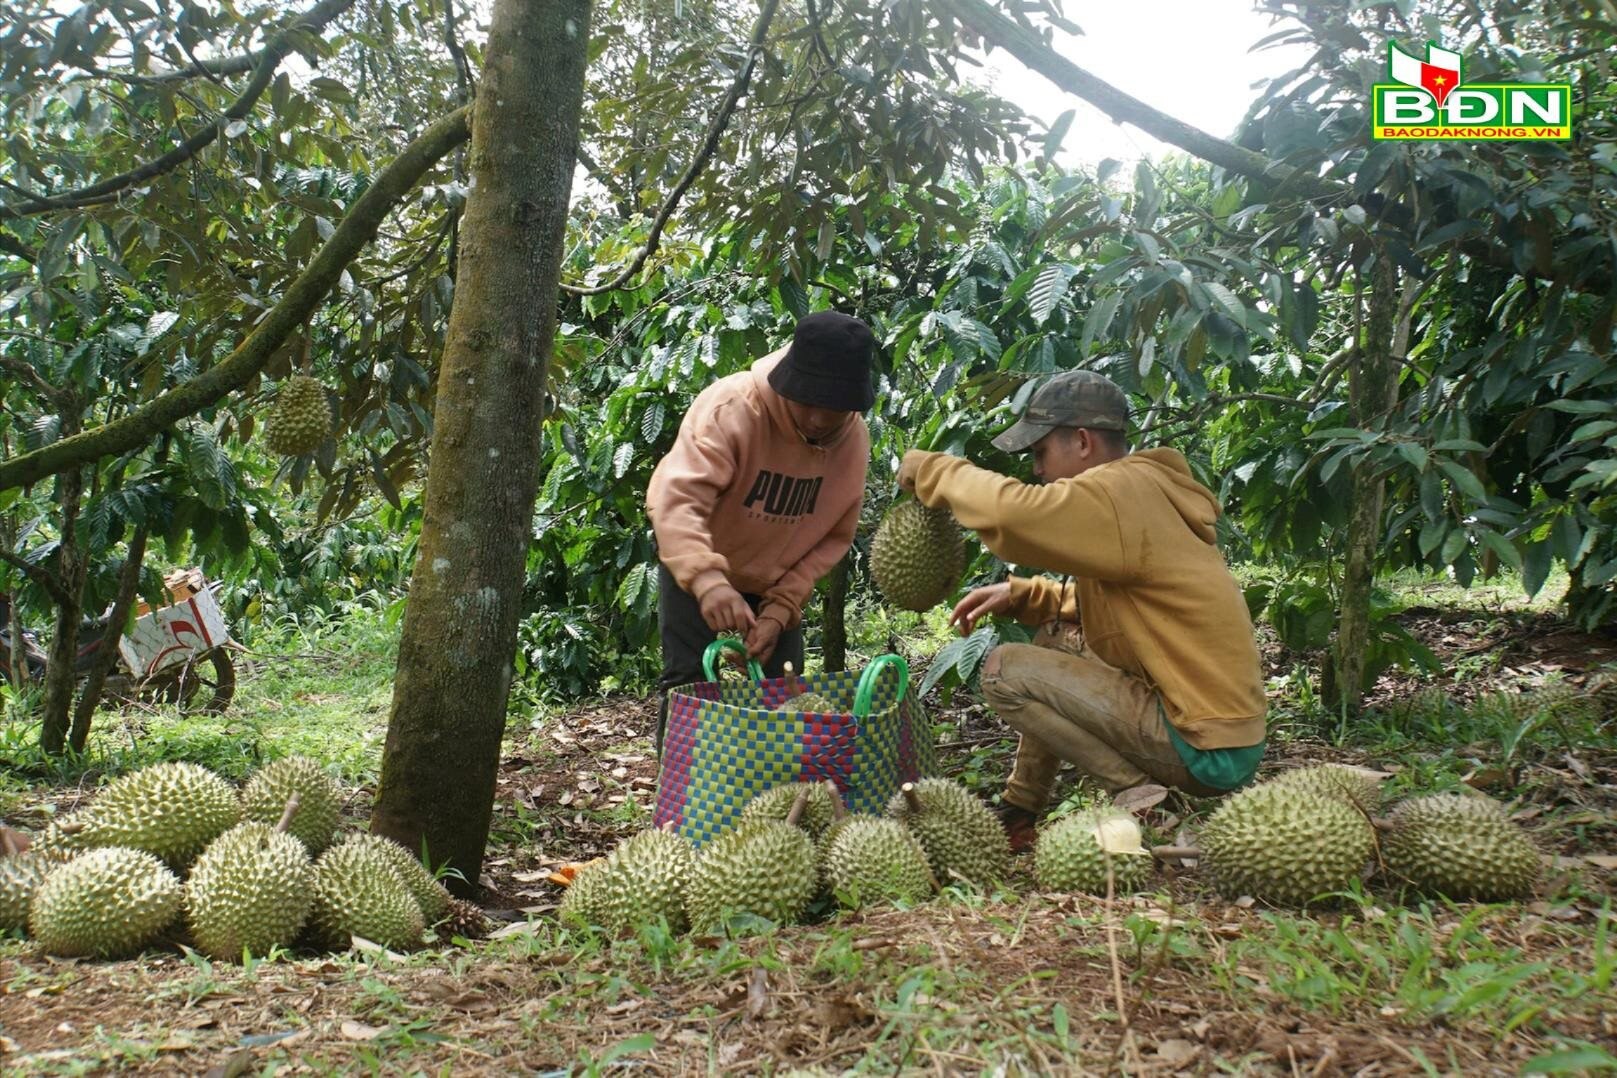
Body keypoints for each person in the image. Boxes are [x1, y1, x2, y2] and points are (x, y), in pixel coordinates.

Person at [895, 368, 1266, 848]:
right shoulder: (1144, 490)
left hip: (1204, 745)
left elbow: (1014, 514)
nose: (1037, 469)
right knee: (1053, 638)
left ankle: (1142, 797)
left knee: (1003, 669)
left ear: (1084, 442)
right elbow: (1135, 598)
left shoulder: (1119, 491)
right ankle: (1018, 810)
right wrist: (1029, 596)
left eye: (1040, 452)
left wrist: (934, 470)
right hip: (1220, 732)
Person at [646, 311, 875, 751]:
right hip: (699, 555)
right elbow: (676, 502)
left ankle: (778, 799)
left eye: (833, 408)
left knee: (783, 688)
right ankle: (679, 801)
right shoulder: (732, 409)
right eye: (807, 401)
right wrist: (708, 581)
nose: (817, 419)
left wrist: (781, 608)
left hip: (775, 576)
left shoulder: (853, 441)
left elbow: (833, 538)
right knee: (688, 682)